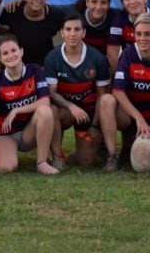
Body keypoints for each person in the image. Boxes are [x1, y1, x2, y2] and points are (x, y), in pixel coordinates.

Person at [99, 14, 150, 173]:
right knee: (107, 100)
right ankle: (113, 155)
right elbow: (118, 91)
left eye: (147, 34)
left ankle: (130, 147)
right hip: (129, 115)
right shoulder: (127, 54)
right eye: (138, 34)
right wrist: (138, 118)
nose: (142, 38)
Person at [0, 35, 59, 175]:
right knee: (5, 168)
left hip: (28, 132)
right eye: (5, 53)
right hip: (5, 132)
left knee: (45, 110)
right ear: (0, 59)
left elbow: (45, 101)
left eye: (14, 50)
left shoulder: (35, 70)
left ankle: (42, 162)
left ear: (21, 51)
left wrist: (16, 110)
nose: (11, 55)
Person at [44, 13, 111, 168]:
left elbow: (102, 96)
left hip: (87, 113)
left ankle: (75, 155)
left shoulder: (97, 58)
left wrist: (94, 125)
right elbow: (51, 92)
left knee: (87, 162)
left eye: (77, 29)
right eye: (68, 29)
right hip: (65, 111)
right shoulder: (52, 58)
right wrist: (71, 107)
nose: (72, 34)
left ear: (84, 33)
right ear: (62, 32)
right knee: (51, 109)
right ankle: (57, 155)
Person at [0, 0, 64, 65]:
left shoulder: (55, 15)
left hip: (45, 67)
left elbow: (74, 21)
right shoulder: (11, 11)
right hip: (17, 67)